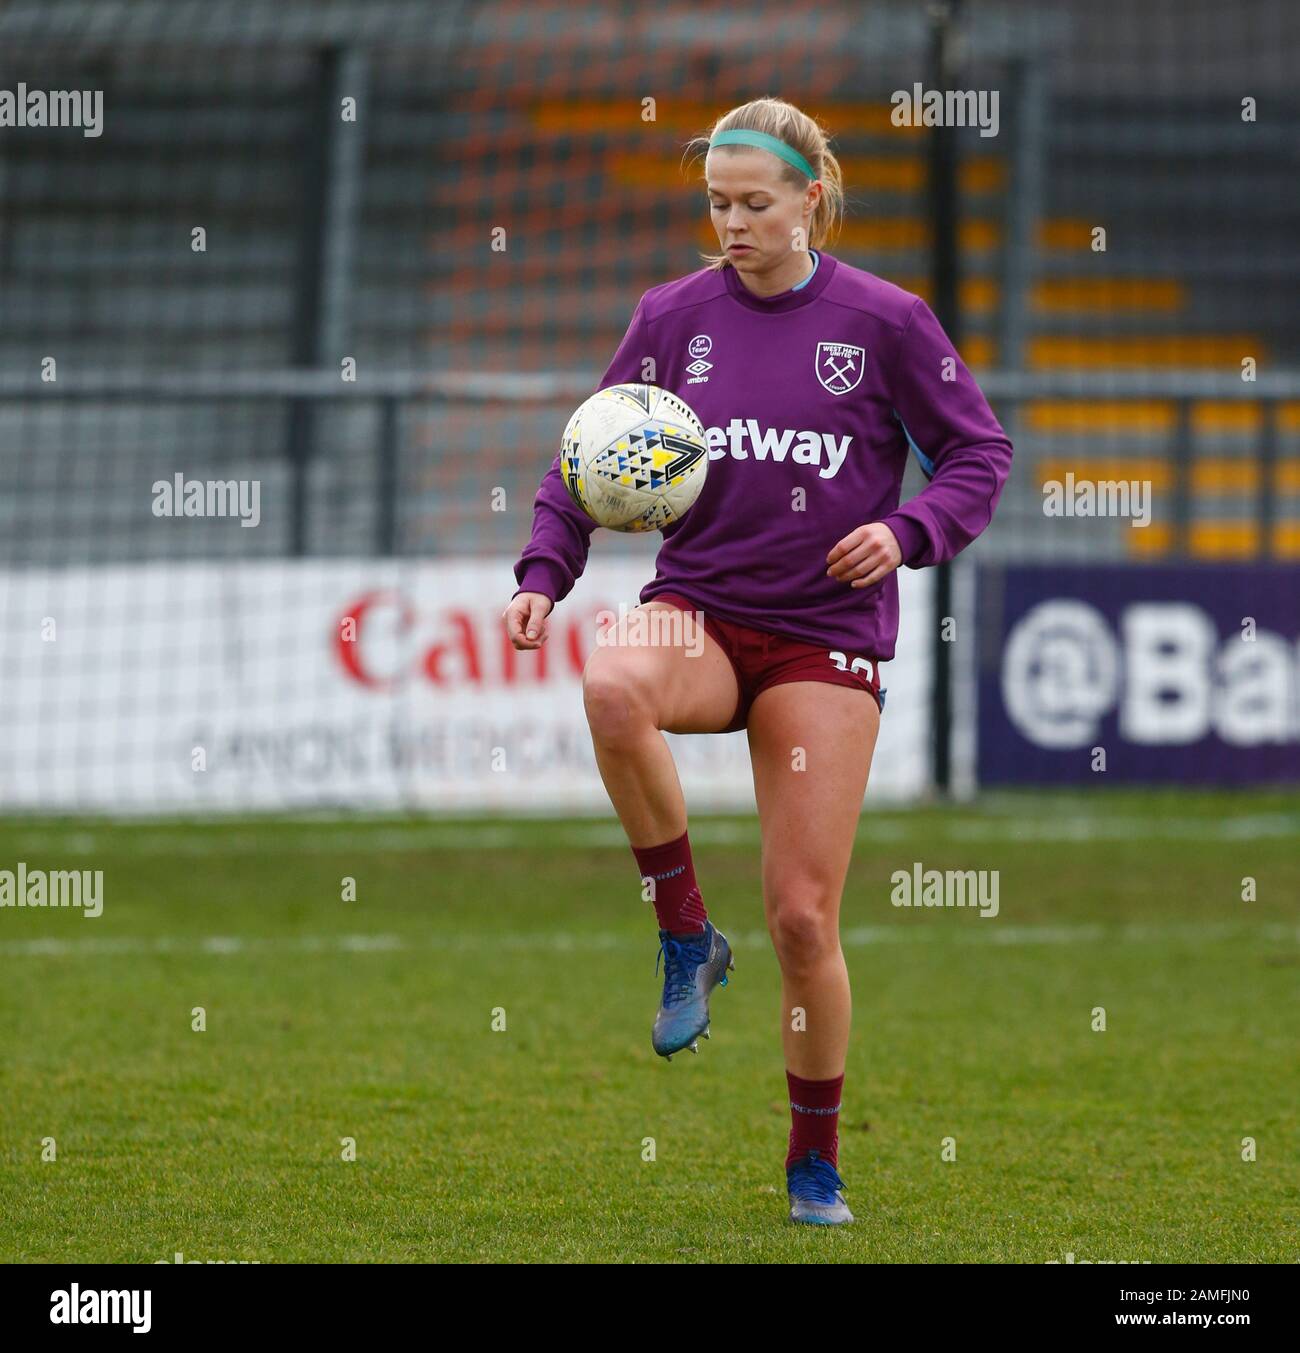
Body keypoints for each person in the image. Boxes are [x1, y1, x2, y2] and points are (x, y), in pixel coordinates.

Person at [504, 96, 1013, 1225]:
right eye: (715, 204)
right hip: (700, 611)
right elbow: (582, 461)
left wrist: (909, 529)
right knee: (609, 684)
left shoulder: (885, 321)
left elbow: (979, 452)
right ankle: (685, 933)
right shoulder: (671, 317)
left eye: (752, 203)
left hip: (825, 638)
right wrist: (543, 575)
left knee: (800, 920)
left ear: (810, 200)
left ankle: (814, 1162)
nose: (730, 223)